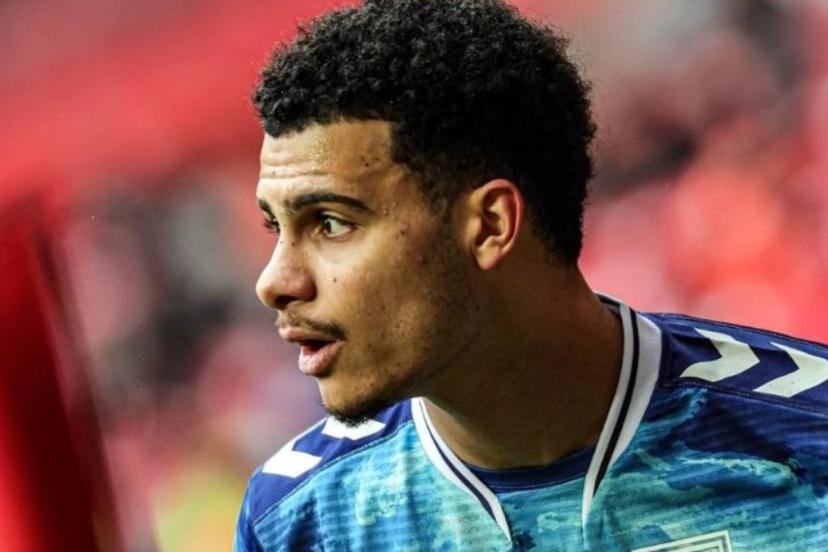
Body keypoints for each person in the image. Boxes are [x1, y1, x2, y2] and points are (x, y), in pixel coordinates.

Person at [234, 0, 828, 550]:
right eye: (274, 227)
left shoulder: (807, 439)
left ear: (490, 225)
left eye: (331, 223)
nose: (274, 282)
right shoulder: (297, 520)